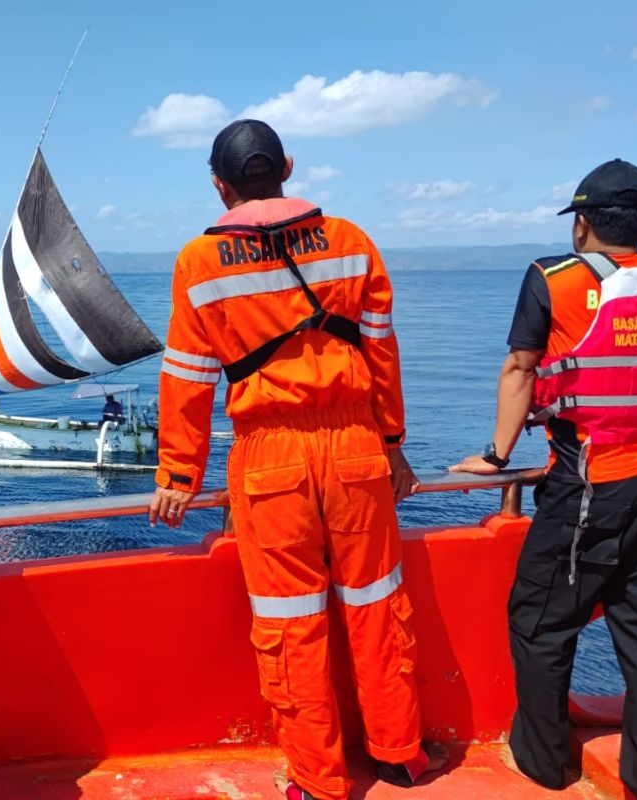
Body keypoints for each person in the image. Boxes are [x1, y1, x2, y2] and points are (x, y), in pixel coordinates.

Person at [148, 119, 445, 800]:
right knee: (376, 602)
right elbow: (381, 353)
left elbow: (188, 377)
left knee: (291, 624)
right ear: (287, 165)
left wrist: (177, 475)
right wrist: (392, 445)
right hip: (356, 451)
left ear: (221, 186)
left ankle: (319, 781)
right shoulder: (349, 241)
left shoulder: (198, 262)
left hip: (267, 457)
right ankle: (399, 754)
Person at [451, 159, 637, 800]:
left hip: (588, 487)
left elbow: (522, 368)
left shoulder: (551, 279)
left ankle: (545, 762)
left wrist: (495, 457)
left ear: (582, 224)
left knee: (540, 621)